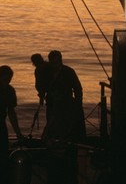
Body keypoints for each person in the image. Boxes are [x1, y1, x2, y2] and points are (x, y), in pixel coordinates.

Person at [44, 50, 85, 184]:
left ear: (60, 60)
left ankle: (69, 170)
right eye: (52, 62)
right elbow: (42, 86)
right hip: (52, 105)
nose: (55, 65)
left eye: (57, 62)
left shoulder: (68, 72)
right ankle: (55, 166)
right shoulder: (47, 72)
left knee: (69, 136)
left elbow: (78, 88)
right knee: (53, 131)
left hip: (67, 106)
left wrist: (77, 105)